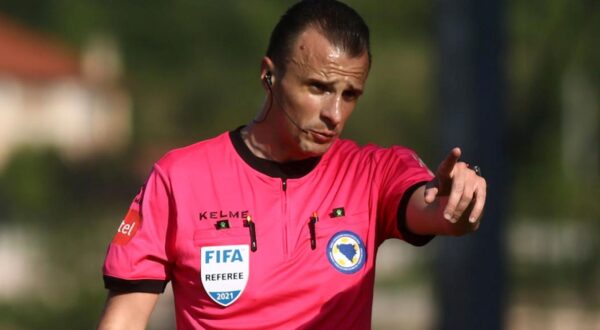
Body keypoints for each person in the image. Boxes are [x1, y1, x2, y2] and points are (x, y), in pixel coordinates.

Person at [97, 1, 486, 329]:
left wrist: (459, 203)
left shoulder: (372, 173)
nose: (334, 113)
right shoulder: (179, 177)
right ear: (270, 75)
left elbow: (435, 210)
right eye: (318, 88)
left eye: (349, 94)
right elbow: (126, 315)